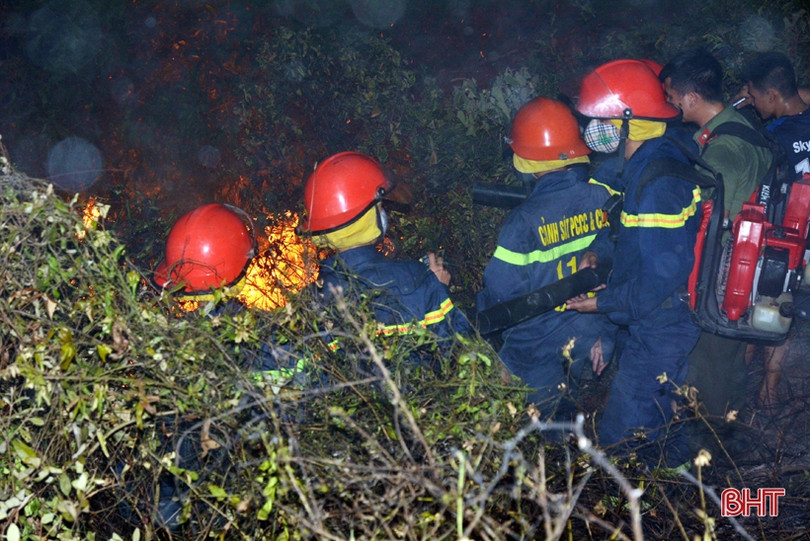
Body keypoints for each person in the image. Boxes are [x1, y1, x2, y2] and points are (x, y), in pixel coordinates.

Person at [566, 59, 703, 469]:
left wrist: (601, 306)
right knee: (654, 424)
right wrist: (601, 256)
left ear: (629, 121)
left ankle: (639, 514)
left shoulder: (658, 181)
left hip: (661, 324)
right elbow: (636, 247)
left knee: (621, 443)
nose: (594, 129)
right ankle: (670, 489)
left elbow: (660, 276)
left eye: (602, 120)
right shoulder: (647, 161)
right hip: (650, 318)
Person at [475, 96, 616, 415]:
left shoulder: (522, 222)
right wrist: (607, 333)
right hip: (590, 327)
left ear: (525, 158)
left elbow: (499, 291)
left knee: (549, 431)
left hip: (535, 341)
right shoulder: (603, 196)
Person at [659, 49, 773, 421]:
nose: (671, 104)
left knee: (708, 365)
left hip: (721, 271)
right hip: (747, 266)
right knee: (728, 359)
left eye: (672, 97)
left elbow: (705, 216)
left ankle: (707, 444)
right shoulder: (743, 125)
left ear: (691, 97)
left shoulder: (721, 149)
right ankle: (729, 425)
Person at [300, 151, 472, 357]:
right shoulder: (416, 278)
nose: (384, 212)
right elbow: (457, 350)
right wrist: (438, 288)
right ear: (367, 217)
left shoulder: (310, 301)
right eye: (380, 206)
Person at [736, 51, 810, 413]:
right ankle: (766, 397)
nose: (751, 102)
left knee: (769, 309)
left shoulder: (771, 139)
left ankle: (761, 398)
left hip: (788, 239)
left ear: (771, 95)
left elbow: (764, 196)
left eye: (753, 95)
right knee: (791, 312)